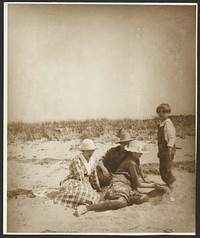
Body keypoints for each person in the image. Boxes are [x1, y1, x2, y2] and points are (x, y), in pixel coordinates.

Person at [74, 140, 165, 217]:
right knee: (121, 203)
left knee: (143, 198)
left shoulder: (134, 159)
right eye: (139, 152)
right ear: (133, 152)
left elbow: (139, 169)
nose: (141, 154)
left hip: (126, 185)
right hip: (119, 183)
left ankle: (123, 198)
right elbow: (138, 184)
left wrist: (146, 179)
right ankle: (87, 208)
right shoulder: (130, 162)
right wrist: (153, 185)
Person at [53, 139, 101, 209]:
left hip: (85, 184)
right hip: (73, 182)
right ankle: (60, 199)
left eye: (92, 151)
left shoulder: (92, 161)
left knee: (93, 195)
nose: (90, 153)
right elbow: (80, 177)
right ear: (83, 151)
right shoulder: (77, 160)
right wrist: (88, 187)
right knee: (82, 192)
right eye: (88, 151)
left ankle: (82, 202)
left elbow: (94, 177)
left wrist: (98, 189)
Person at [156, 103, 176, 191]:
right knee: (162, 168)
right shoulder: (161, 123)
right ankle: (168, 183)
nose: (161, 114)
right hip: (162, 149)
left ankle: (171, 186)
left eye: (163, 112)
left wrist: (169, 149)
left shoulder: (168, 123)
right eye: (159, 112)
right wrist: (160, 151)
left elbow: (172, 137)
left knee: (166, 168)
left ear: (168, 113)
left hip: (168, 148)